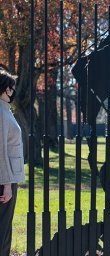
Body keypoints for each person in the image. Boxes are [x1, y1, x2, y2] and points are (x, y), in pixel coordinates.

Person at [0, 69, 25, 255]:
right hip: (3, 180)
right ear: (5, 88)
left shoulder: (4, 109)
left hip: (6, 178)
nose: (13, 91)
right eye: (11, 87)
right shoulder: (1, 112)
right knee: (3, 230)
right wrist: (6, 184)